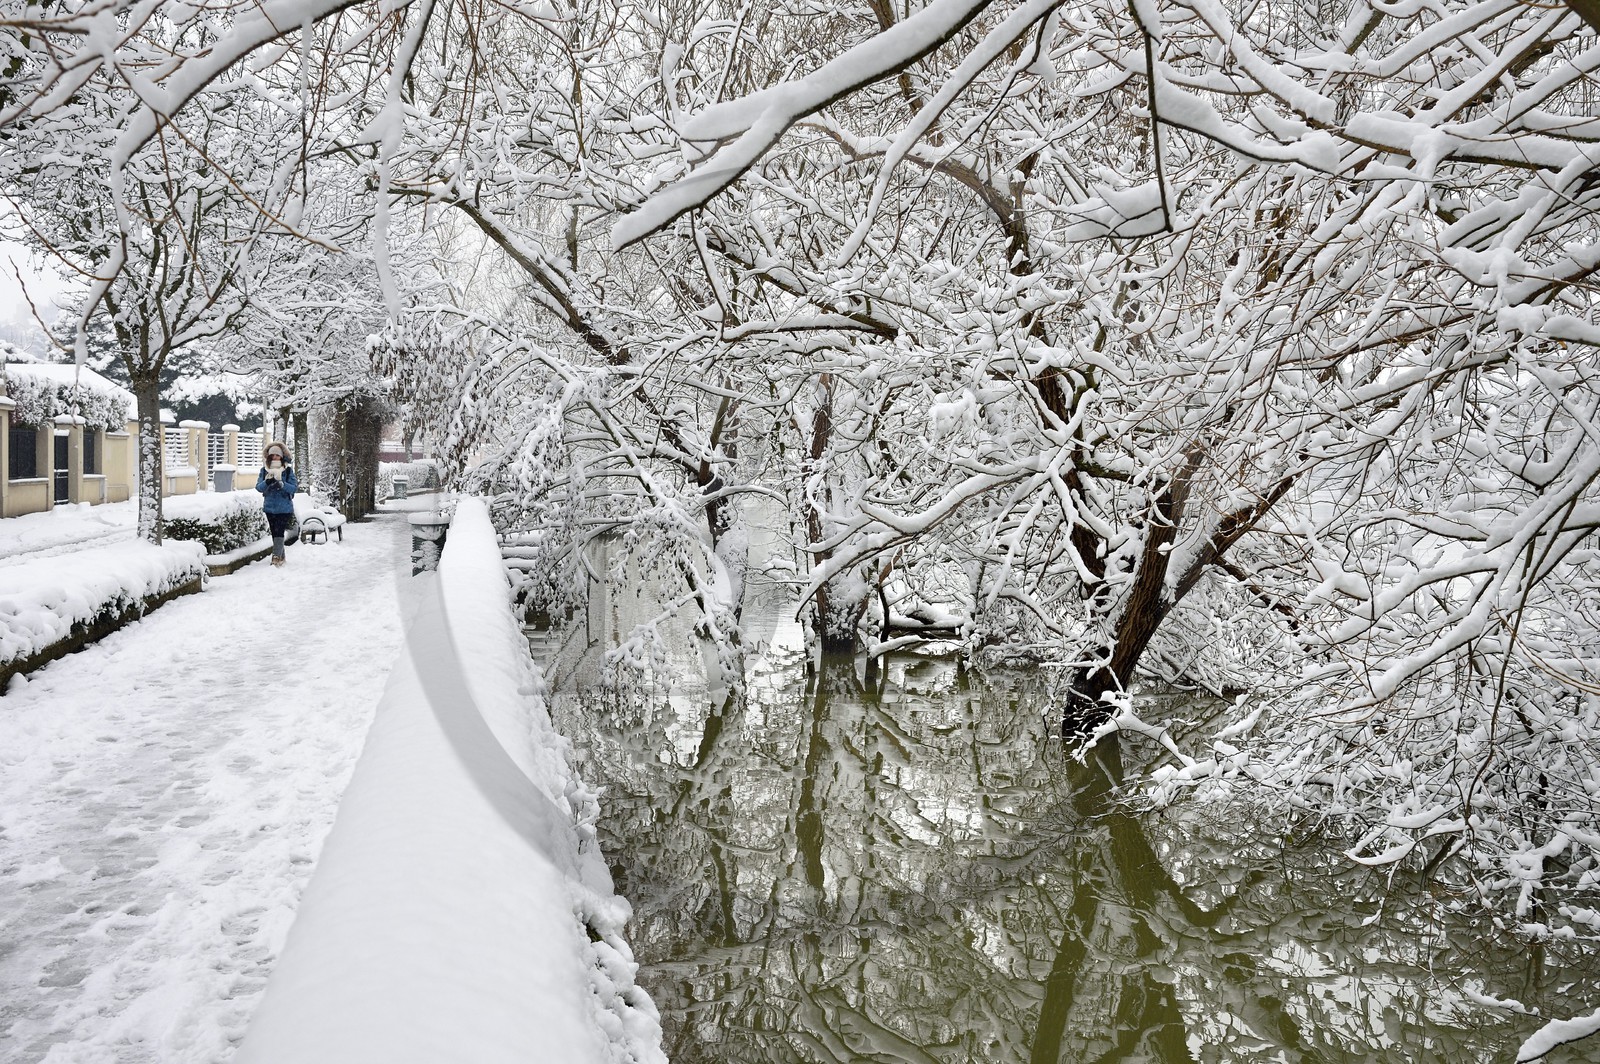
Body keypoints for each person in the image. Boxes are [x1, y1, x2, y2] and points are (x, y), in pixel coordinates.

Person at [256, 442, 298, 567]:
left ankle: (275, 557)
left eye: (277, 455)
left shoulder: (288, 471)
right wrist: (267, 482)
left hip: (284, 508)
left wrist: (282, 484)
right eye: (272, 455)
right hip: (270, 507)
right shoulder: (264, 471)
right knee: (275, 533)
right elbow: (258, 487)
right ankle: (282, 556)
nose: (275, 458)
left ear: (282, 456)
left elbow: (294, 488)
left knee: (279, 532)